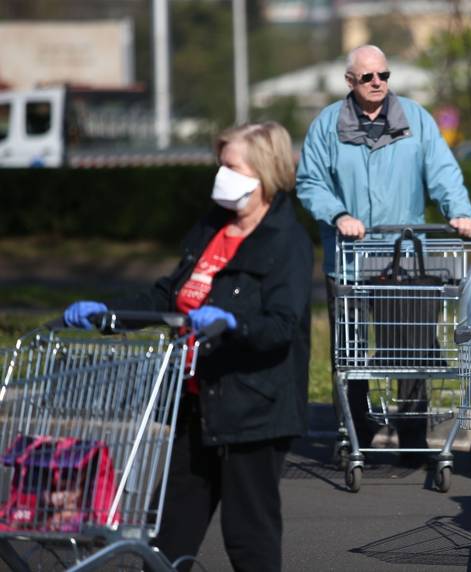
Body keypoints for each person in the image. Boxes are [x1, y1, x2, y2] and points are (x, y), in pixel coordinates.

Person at [63, 122, 312, 572]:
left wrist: (232, 324)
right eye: (220, 164)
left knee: (248, 536)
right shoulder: (212, 227)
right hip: (198, 402)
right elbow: (169, 294)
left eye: (232, 166)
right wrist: (110, 313)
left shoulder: (286, 242)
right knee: (169, 536)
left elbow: (282, 325)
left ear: (264, 173)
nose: (222, 175)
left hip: (254, 408)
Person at [296, 44, 471, 465]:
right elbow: (310, 182)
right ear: (350, 81)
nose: (377, 82)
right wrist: (338, 214)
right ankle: (356, 432)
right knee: (350, 353)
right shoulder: (327, 124)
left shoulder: (415, 118)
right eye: (368, 77)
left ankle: (412, 436)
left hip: (404, 258)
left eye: (384, 75)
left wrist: (460, 212)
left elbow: (443, 172)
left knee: (411, 347)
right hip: (349, 258)